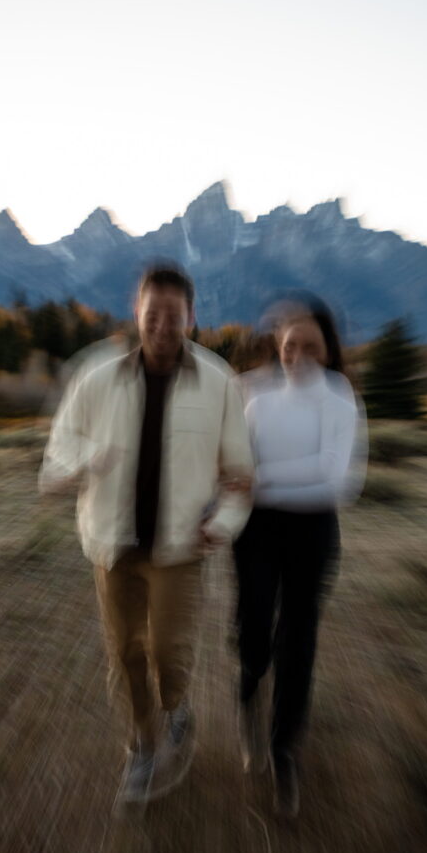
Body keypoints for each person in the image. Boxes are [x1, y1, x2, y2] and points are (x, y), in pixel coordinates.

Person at [39, 261, 253, 808]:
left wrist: (223, 523)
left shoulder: (218, 382)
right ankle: (142, 746)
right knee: (124, 652)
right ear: (137, 312)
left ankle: (177, 706)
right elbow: (57, 455)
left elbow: (240, 476)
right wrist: (90, 458)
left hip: (181, 546)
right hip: (112, 544)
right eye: (152, 313)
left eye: (173, 315)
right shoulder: (99, 380)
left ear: (191, 317)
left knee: (166, 652)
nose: (161, 325)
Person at [234, 298, 366, 817]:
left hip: (313, 532)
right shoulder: (256, 399)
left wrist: (261, 480)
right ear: (279, 348)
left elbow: (339, 480)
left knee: (299, 637)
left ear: (329, 349)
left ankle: (284, 747)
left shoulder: (340, 398)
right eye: (291, 346)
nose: (301, 355)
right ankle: (248, 691)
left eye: (312, 345)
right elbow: (233, 464)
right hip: (256, 532)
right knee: (253, 630)